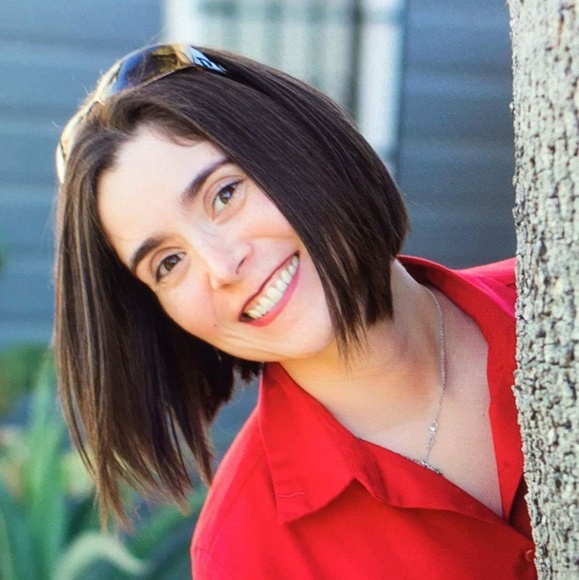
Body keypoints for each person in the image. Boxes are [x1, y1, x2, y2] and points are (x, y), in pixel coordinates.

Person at [55, 44, 536, 578]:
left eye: (224, 194)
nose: (221, 266)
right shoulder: (243, 554)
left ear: (300, 145)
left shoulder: (553, 296)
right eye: (168, 263)